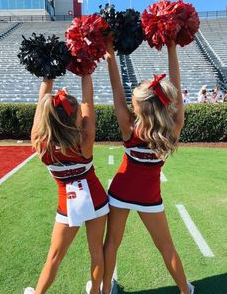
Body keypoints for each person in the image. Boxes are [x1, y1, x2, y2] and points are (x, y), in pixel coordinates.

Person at [102, 35, 194, 294]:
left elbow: (115, 90)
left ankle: (105, 291)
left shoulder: (128, 128)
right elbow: (175, 87)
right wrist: (172, 48)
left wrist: (110, 55)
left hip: (120, 192)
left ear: (139, 107)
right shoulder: (173, 128)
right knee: (167, 247)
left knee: (112, 244)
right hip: (150, 197)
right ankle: (185, 291)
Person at [24, 75, 109, 294]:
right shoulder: (85, 140)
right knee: (96, 252)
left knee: (54, 256)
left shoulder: (39, 144)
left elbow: (40, 110)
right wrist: (86, 70)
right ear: (74, 121)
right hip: (96, 199)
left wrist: (47, 77)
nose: (82, 115)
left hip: (68, 204)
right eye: (79, 115)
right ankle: (95, 291)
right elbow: (88, 101)